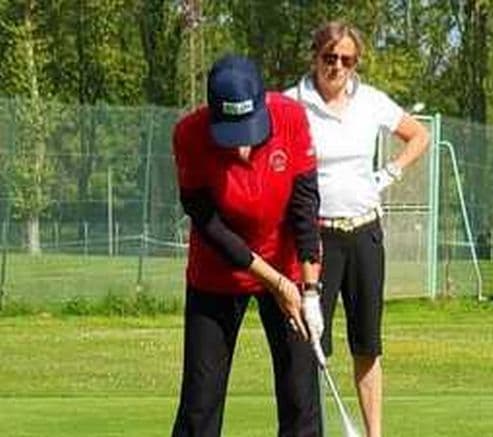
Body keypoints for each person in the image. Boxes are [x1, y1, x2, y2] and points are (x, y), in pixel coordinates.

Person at [285, 21, 430, 437]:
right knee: (312, 345)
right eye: (329, 57)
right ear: (315, 57)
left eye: (346, 60)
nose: (337, 67)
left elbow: (418, 135)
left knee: (367, 344)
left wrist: (390, 173)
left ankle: (373, 434)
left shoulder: (370, 101)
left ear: (355, 63)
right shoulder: (293, 103)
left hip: (365, 232)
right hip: (318, 238)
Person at [170, 54, 326, 437]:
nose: (241, 145)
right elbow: (210, 225)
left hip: (288, 264)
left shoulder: (291, 118)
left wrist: (309, 291)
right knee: (200, 402)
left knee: (300, 396)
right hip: (217, 273)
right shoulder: (189, 134)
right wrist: (276, 284)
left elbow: (305, 208)